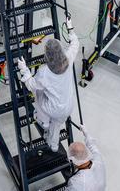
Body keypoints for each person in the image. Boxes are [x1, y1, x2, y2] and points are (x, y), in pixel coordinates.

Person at [15, 19, 80, 150]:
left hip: (53, 109)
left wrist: (24, 69)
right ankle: (53, 145)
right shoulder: (68, 58)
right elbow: (75, 44)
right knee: (56, 124)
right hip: (68, 107)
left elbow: (31, 85)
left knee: (38, 91)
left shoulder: (44, 73)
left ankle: (43, 121)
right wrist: (70, 28)